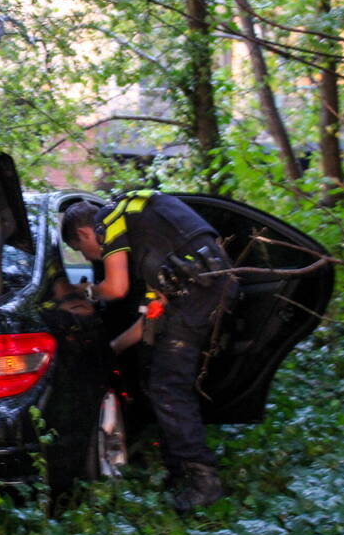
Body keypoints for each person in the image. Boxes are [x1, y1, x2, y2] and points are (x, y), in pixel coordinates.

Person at [61, 190, 238, 512]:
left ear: (86, 233)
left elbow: (115, 289)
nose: (89, 259)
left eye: (81, 251)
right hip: (205, 289)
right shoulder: (152, 243)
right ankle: (178, 472)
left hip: (198, 292)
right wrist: (111, 349)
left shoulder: (108, 220)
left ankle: (203, 481)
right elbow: (151, 321)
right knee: (153, 371)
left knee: (167, 386)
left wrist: (82, 292)